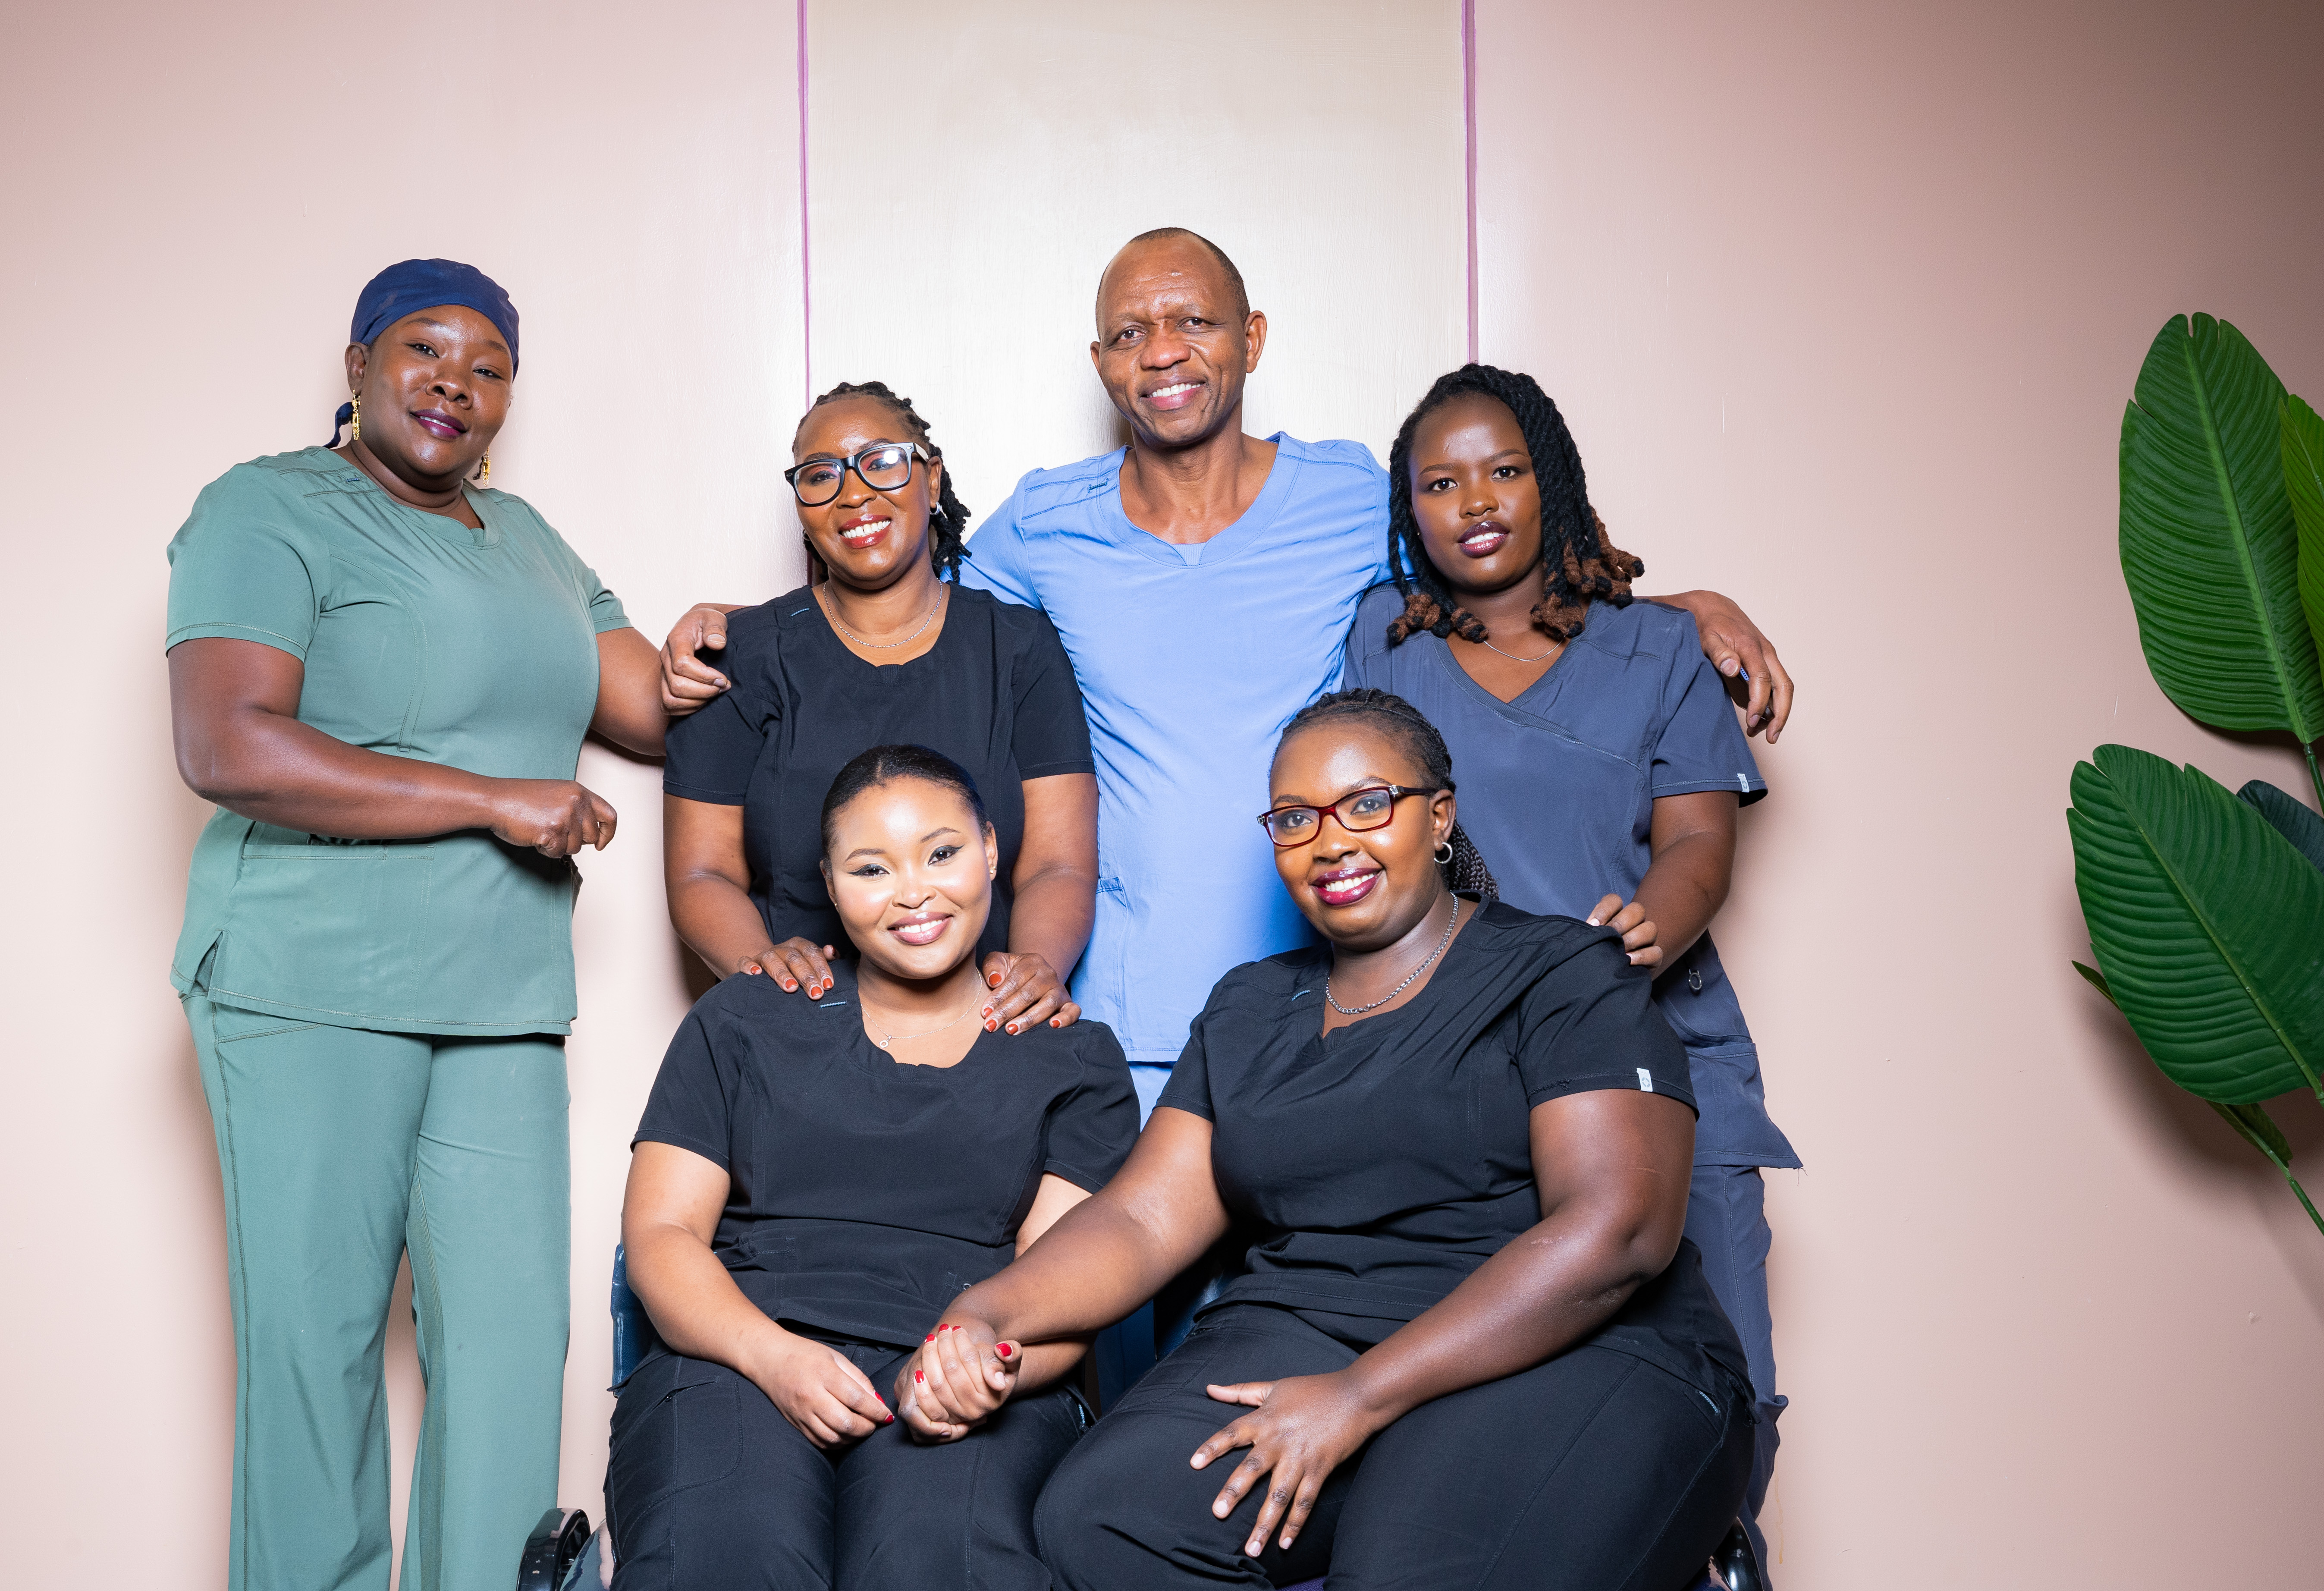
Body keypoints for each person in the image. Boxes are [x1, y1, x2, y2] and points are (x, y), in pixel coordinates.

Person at [661, 229, 1795, 1120]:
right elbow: (890, 582)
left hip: (1328, 995)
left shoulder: (1351, 497)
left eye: (1193, 321)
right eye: (1130, 332)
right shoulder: (1044, 525)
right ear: (1101, 364)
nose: (1162, 351)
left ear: (1251, 339)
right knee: (1118, 1312)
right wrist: (739, 630)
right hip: (1116, 1006)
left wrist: (1674, 607)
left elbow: (1502, 569)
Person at [896, 692, 1755, 1591]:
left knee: (1404, 1572)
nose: (1331, 841)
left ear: (1439, 817)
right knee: (1104, 1518)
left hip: (1570, 1341)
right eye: (1295, 818)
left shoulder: (1561, 970)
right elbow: (1142, 1220)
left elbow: (1620, 1231)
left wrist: (1363, 1394)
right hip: (1310, 1329)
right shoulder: (1249, 1007)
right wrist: (983, 1315)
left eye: (1367, 804)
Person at [164, 259, 672, 1590]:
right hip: (309, 981)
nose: (456, 382)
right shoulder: (267, 507)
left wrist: (799, 627)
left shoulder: (532, 542)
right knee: (316, 1350)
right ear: (358, 366)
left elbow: (652, 703)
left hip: (501, 993)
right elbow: (227, 745)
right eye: (424, 350)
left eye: (489, 365)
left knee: (511, 1355)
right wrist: (493, 799)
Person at [1341, 364, 1796, 1575]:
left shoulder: (1659, 649)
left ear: (1552, 481)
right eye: (1440, 482)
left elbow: (1700, 841)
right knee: (1517, 1414)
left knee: (1725, 1383)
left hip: (1659, 1046)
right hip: (1465, 1071)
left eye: (1504, 470)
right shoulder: (1384, 641)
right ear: (1408, 508)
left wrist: (1648, 924)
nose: (1476, 502)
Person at [609, 746, 1138, 1589]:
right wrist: (773, 1356)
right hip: (740, 1353)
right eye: (871, 868)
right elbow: (661, 1233)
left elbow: (1066, 1293)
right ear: (829, 880)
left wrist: (979, 1373)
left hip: (959, 1369)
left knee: (937, 1563)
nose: (914, 892)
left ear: (991, 850)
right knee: (730, 1553)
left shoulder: (1074, 1058)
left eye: (942, 852)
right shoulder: (746, 1017)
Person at [662, 381, 1097, 1037]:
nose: (853, 493)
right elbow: (703, 873)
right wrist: (764, 973)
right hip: (802, 1033)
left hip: (986, 1028)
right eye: (821, 475)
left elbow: (1057, 864)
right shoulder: (738, 658)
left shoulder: (1019, 648)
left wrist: (1033, 971)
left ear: (932, 478)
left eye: (882, 461)